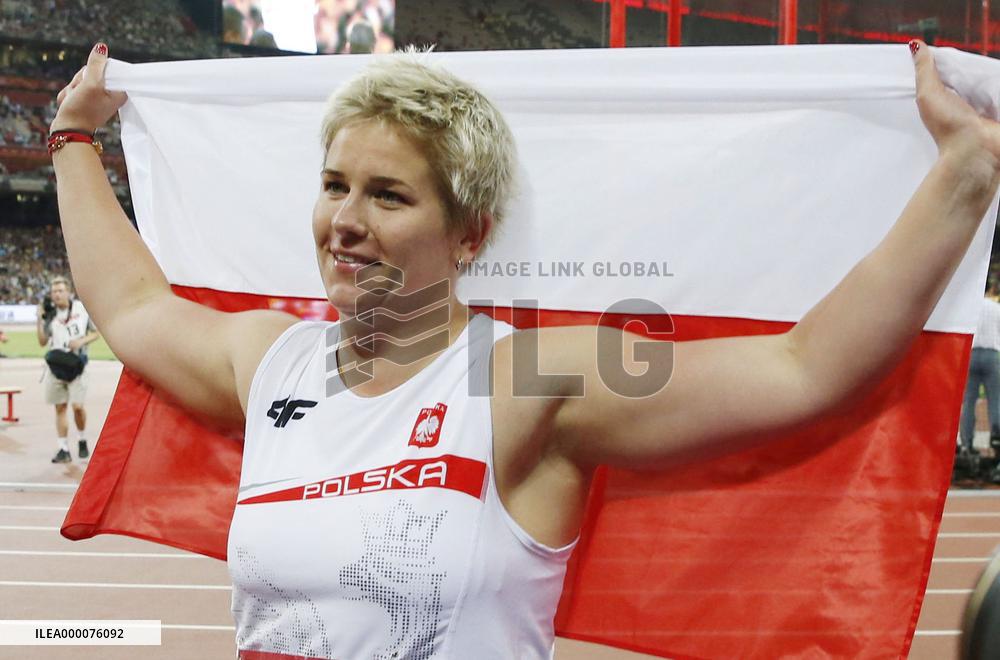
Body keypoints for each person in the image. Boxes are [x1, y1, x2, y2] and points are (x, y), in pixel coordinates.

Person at [49, 40, 1000, 658]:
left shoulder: (526, 378)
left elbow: (803, 369)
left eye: (389, 195)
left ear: (470, 235)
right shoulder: (274, 363)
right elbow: (131, 304)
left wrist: (963, 175)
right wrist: (72, 137)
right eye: (334, 183)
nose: (344, 220)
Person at [36, 275, 99, 463]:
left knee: (77, 407)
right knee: (60, 407)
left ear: (69, 292)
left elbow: (97, 332)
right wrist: (39, 320)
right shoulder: (49, 313)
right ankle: (63, 449)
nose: (57, 294)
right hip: (56, 366)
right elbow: (41, 342)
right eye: (54, 291)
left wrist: (81, 341)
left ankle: (82, 439)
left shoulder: (82, 309)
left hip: (77, 364)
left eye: (60, 290)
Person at [959, 283, 1000, 457]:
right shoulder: (996, 308)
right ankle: (996, 440)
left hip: (972, 354)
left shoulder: (969, 308)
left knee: (969, 401)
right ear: (991, 289)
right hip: (992, 354)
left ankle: (967, 444)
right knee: (995, 400)